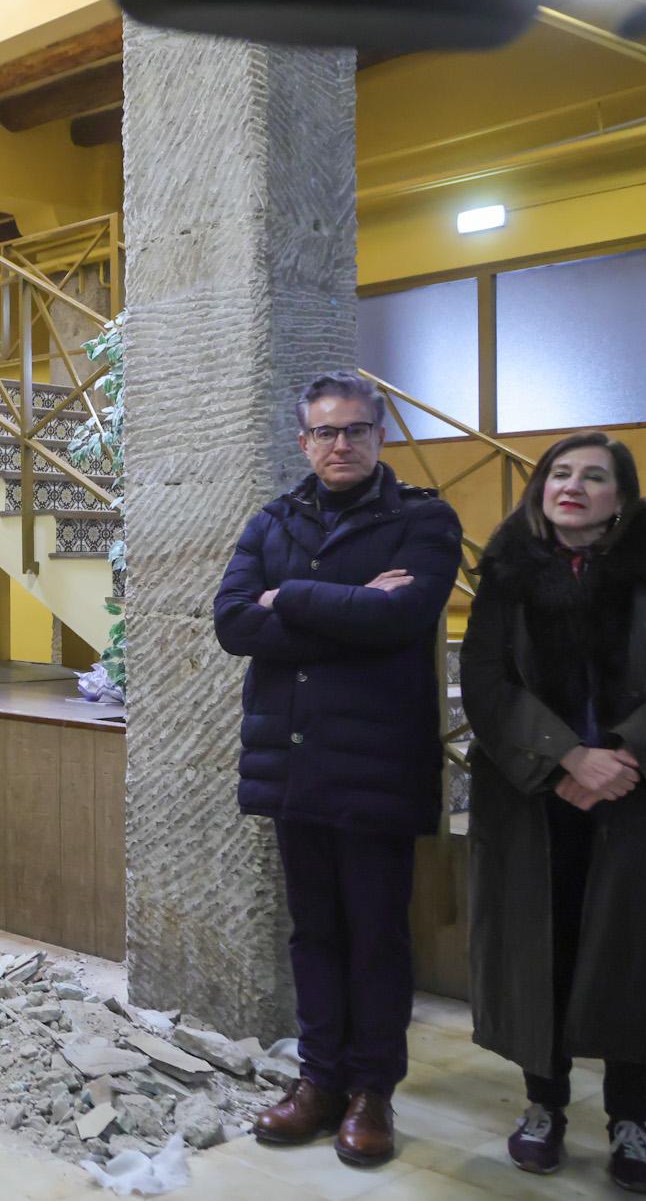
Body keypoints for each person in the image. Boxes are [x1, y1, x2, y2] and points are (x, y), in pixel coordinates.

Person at [212, 370, 462, 1167]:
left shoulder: (423, 519)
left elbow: (405, 615)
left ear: (379, 435)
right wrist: (346, 607)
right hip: (295, 764)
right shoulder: (273, 519)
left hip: (379, 763)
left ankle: (371, 1091)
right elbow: (230, 622)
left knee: (377, 935)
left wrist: (288, 597)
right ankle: (318, 1079)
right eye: (325, 431)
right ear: (303, 441)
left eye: (355, 429)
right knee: (314, 932)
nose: (340, 443)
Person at [460, 432, 646, 1194]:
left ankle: (630, 1120)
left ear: (623, 495)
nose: (571, 485)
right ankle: (543, 1106)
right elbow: (484, 681)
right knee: (541, 951)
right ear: (540, 486)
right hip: (534, 798)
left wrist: (625, 754)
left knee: (631, 957)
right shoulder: (508, 574)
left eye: (594, 475)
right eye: (558, 472)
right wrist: (568, 760)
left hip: (639, 798)